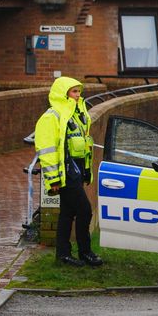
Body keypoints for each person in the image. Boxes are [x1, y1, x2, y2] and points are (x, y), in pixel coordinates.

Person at [35, 77, 103, 267]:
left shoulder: (77, 115)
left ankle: (63, 255)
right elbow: (47, 151)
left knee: (67, 212)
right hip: (65, 174)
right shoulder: (51, 117)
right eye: (73, 92)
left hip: (76, 172)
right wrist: (53, 179)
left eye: (78, 91)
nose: (77, 95)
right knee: (84, 210)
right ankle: (85, 252)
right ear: (63, 94)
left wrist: (85, 172)